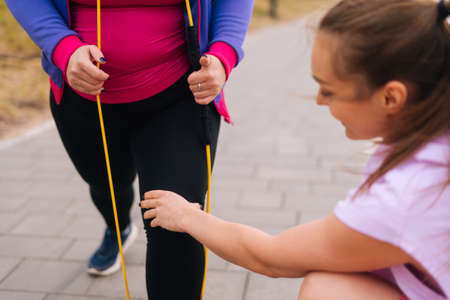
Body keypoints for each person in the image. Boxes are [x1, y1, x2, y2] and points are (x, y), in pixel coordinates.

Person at [140, 0, 450, 299]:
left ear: (391, 98)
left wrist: (188, 217)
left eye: (328, 89)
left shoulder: (410, 197)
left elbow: (272, 257)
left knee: (327, 291)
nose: (319, 101)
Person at [5, 0, 253, 299]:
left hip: (179, 93)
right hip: (84, 99)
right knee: (108, 186)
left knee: (176, 225)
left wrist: (223, 53)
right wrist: (62, 46)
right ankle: (118, 227)